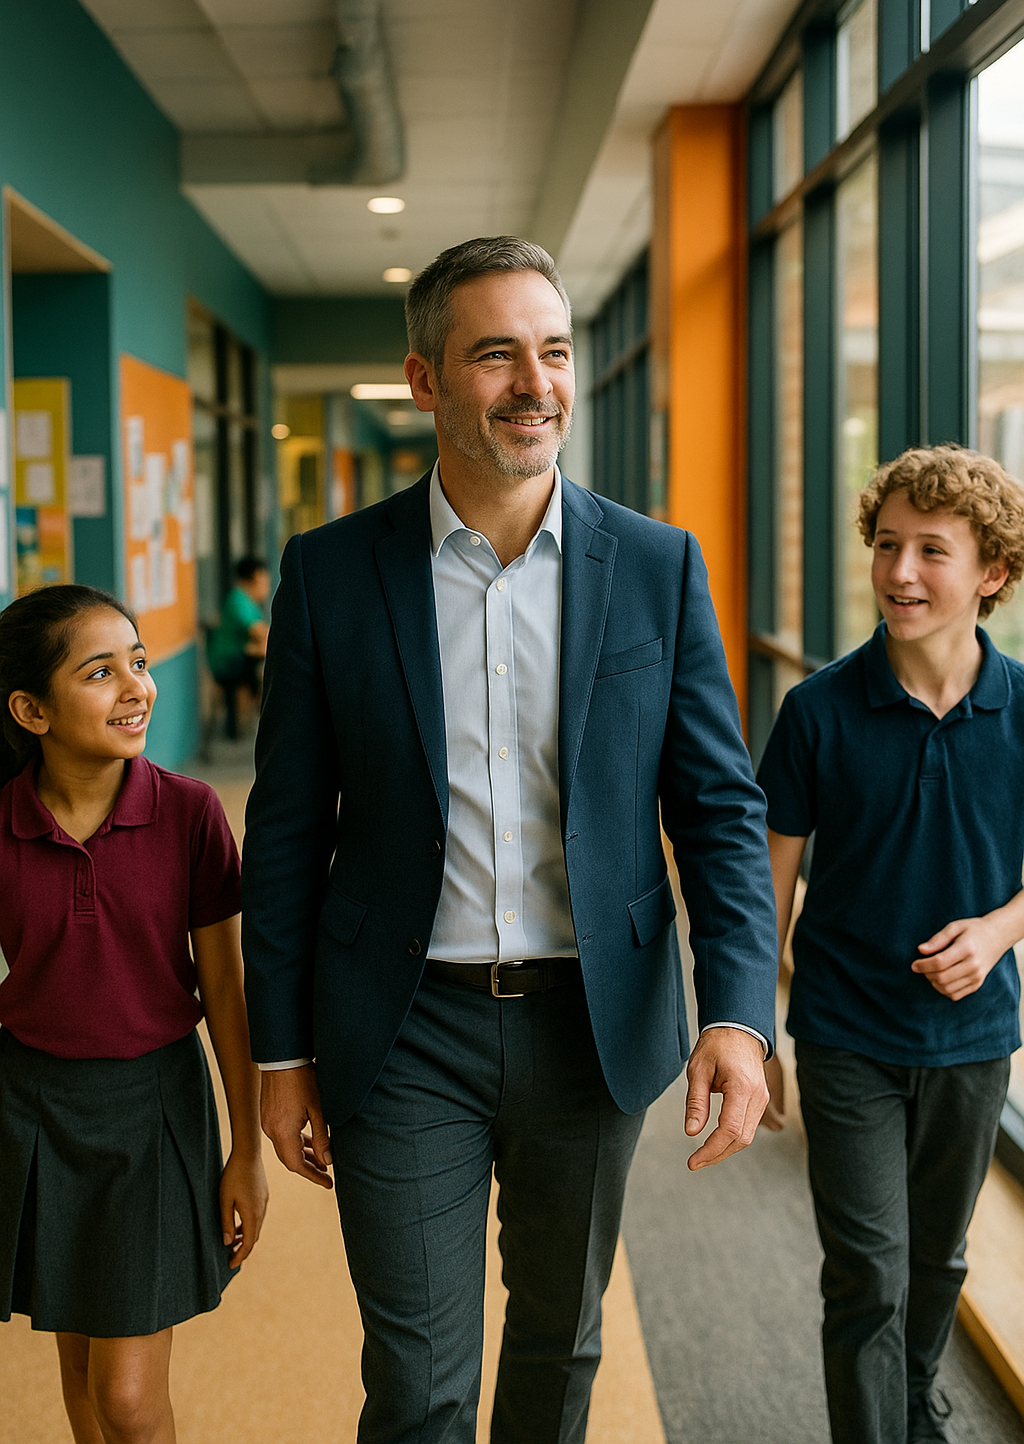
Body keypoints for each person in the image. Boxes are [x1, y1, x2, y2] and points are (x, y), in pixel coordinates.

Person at [242, 236, 778, 1444]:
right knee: (421, 1379)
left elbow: (717, 812)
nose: (536, 382)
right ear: (426, 381)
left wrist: (739, 1014)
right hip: (399, 1028)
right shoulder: (331, 574)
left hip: (591, 1027)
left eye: (553, 350)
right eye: (495, 355)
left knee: (557, 1346)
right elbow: (283, 830)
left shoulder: (653, 565)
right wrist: (278, 1053)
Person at [757, 445, 1024, 1444]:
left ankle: (909, 1402)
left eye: (930, 551)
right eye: (884, 545)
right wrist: (750, 1032)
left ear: (990, 571)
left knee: (937, 1259)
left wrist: (1000, 931)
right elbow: (766, 886)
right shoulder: (816, 711)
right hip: (843, 1034)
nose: (899, 573)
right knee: (868, 1267)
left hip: (972, 1039)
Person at [0, 584, 268, 1444]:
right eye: (100, 671)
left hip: (152, 1112)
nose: (135, 686)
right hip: (29, 1108)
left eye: (139, 663)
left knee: (124, 1395)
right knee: (78, 1368)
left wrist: (245, 1150)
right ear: (30, 710)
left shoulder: (188, 813)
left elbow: (225, 994)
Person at [207, 555, 271, 739]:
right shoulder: (238, 600)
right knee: (270, 674)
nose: (266, 586)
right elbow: (260, 632)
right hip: (227, 664)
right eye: (263, 580)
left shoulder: (248, 602)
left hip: (239, 660)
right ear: (255, 577)